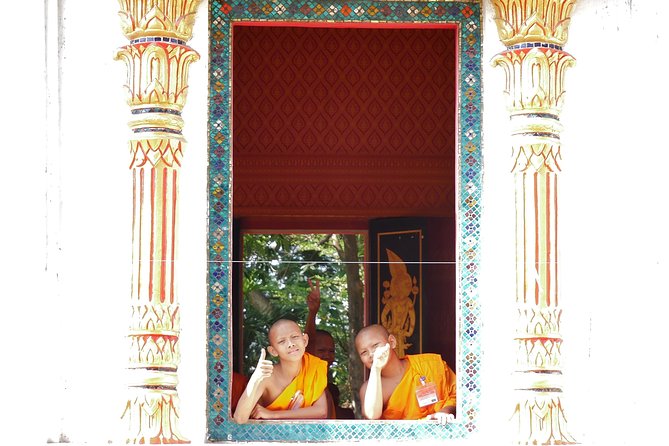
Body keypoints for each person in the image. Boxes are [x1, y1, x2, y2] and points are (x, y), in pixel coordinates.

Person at [355, 324, 456, 424]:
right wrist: (376, 369)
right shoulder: (368, 389)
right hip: (401, 439)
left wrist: (445, 411)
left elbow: (458, 395)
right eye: (364, 352)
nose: (371, 354)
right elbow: (372, 415)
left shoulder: (428, 364)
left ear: (392, 342)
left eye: (375, 346)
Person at [233, 319, 329, 423]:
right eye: (282, 341)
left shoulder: (313, 368)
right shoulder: (266, 376)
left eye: (295, 337)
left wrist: (273, 414)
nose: (290, 344)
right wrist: (255, 378)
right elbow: (240, 418)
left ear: (305, 340)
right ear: (273, 351)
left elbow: (321, 411)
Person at [304, 278, 355, 419]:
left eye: (331, 351)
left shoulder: (324, 382)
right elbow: (310, 341)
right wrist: (312, 313)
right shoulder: (306, 372)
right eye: (321, 351)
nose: (327, 355)